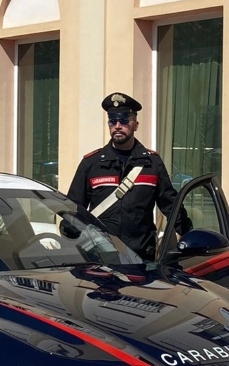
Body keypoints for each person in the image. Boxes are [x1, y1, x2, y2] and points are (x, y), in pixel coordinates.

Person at [67, 92, 190, 261]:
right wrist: (68, 231)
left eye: (124, 120)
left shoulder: (151, 163)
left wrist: (190, 235)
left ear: (136, 125)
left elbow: (171, 206)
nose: (118, 125)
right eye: (112, 120)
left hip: (141, 259)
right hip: (101, 258)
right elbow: (74, 209)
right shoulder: (91, 164)